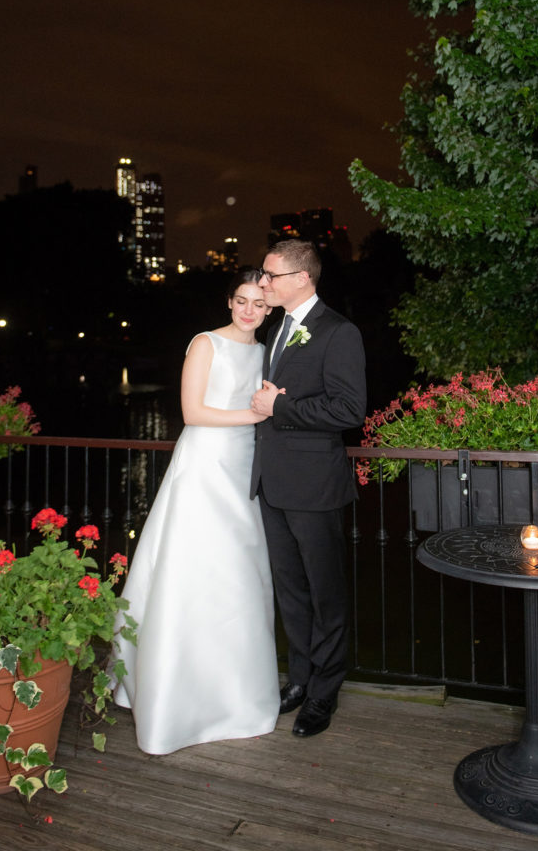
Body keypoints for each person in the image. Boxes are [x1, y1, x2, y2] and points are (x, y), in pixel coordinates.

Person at [113, 269, 280, 755]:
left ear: (268, 310)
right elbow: (192, 412)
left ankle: (235, 696)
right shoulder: (205, 343)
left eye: (259, 304)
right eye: (242, 301)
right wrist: (255, 414)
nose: (250, 311)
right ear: (230, 302)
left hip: (244, 467)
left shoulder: (263, 352)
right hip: (205, 466)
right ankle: (171, 696)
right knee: (191, 570)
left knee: (238, 578)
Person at [250, 239, 367, 738]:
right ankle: (298, 680)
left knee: (327, 596)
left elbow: (348, 411)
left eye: (271, 276)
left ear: (302, 278)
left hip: (315, 487)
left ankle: (324, 693)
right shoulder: (277, 328)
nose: (263, 283)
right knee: (291, 593)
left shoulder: (339, 332)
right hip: (273, 485)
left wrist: (281, 408)